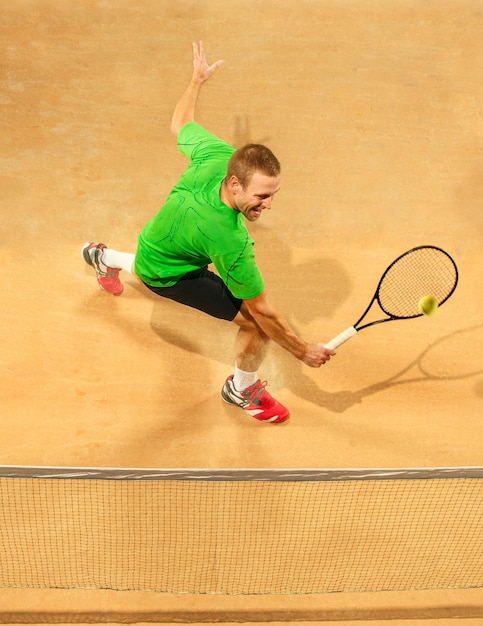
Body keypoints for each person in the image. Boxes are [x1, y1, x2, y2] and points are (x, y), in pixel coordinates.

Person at [82, 41, 335, 424]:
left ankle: (103, 257)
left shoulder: (219, 156)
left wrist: (196, 80)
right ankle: (240, 389)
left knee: (155, 258)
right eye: (262, 196)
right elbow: (262, 311)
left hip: (158, 239)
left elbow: (180, 123)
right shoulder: (230, 241)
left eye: (273, 194)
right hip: (170, 274)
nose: (268, 205)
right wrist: (302, 351)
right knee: (253, 324)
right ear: (235, 184)